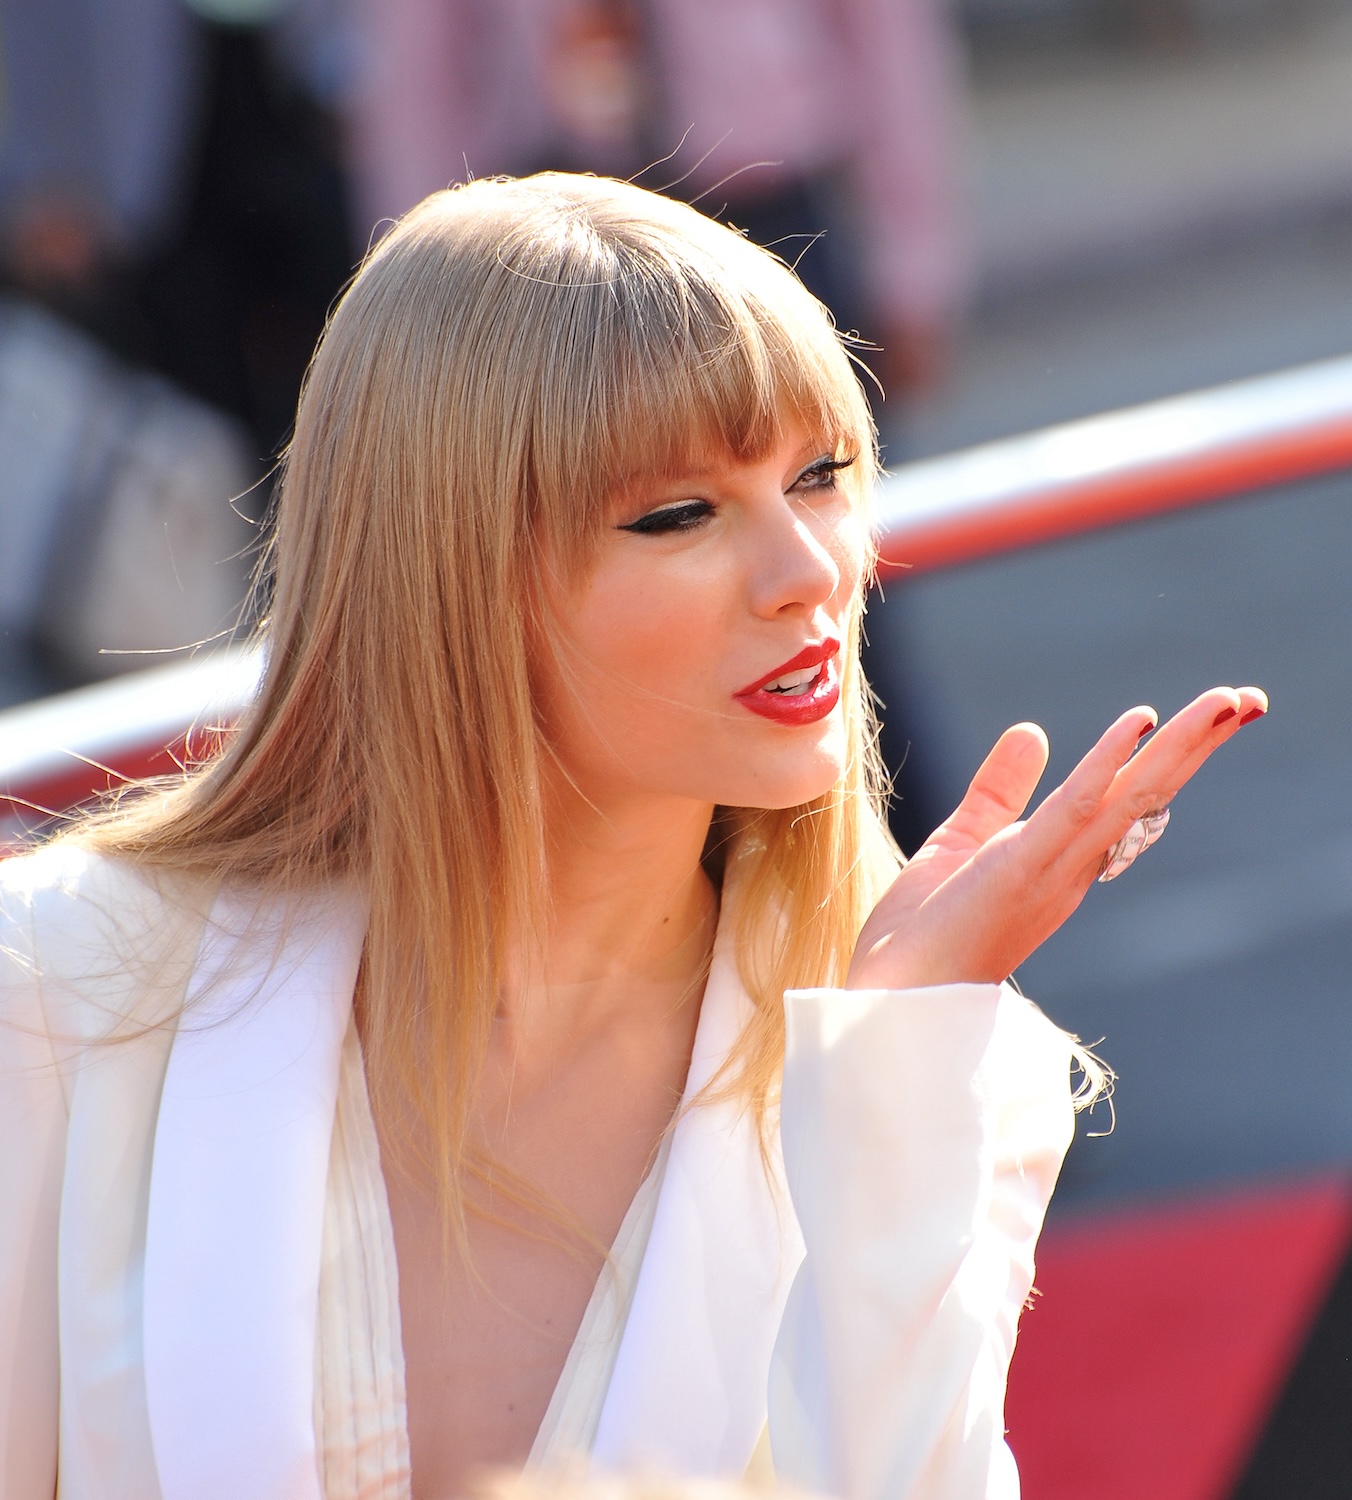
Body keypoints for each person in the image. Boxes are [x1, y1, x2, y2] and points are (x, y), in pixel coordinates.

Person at [0, 174, 1266, 1500]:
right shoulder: (68, 986)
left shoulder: (923, 1067)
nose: (811, 571)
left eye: (822, 476)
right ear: (450, 569)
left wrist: (906, 1048)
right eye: (681, 514)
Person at [344, 0, 967, 397]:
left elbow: (887, 40)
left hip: (764, 218)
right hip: (560, 234)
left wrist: (912, 265)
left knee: (815, 535)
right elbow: (417, 80)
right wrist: (411, 304)